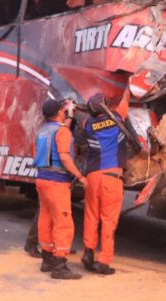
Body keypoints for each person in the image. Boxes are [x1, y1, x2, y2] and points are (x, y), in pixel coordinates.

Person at [32, 99, 88, 280]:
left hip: (42, 179)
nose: (65, 113)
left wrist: (69, 117)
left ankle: (47, 259)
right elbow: (64, 156)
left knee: (46, 218)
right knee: (63, 221)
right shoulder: (62, 131)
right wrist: (80, 176)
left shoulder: (41, 131)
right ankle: (60, 265)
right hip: (57, 182)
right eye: (63, 111)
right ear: (58, 113)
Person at [79, 89, 130, 275]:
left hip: (92, 176)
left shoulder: (87, 124)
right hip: (112, 177)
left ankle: (88, 253)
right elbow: (126, 100)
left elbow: (82, 124)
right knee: (108, 220)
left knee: (91, 216)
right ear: (105, 106)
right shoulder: (117, 117)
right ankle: (103, 261)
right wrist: (127, 87)